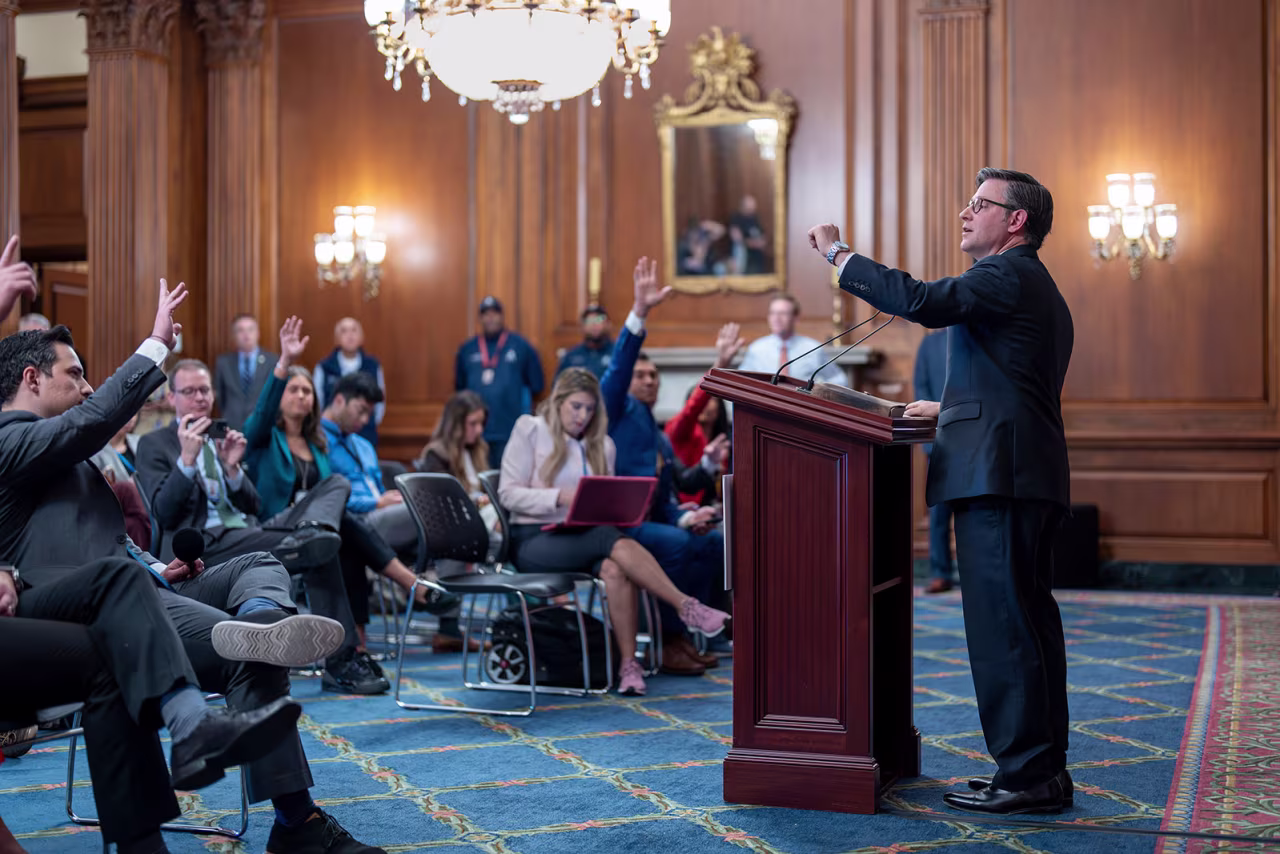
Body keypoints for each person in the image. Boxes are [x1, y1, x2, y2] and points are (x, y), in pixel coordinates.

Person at [0, 277, 385, 851]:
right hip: (88, 611)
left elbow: (96, 536)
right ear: (31, 379)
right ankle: (297, 826)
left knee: (255, 564)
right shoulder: (12, 436)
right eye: (74, 374)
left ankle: (259, 624)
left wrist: (155, 565)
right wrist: (155, 344)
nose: (86, 389)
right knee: (248, 654)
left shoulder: (63, 454)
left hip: (141, 587)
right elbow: (92, 427)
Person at [808, 166, 1074, 815]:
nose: (964, 213)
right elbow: (1010, 385)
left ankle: (1026, 776)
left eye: (980, 204)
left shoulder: (1006, 275)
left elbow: (924, 301)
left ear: (1016, 221)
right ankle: (1037, 770)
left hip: (999, 479)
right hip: (1017, 471)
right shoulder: (1030, 285)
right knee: (1027, 625)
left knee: (1004, 630)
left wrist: (841, 257)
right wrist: (948, 408)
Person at [0, 559, 302, 854]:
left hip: (138, 581)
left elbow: (123, 539)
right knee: (118, 633)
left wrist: (156, 567)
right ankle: (193, 729)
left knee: (258, 576)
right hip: (66, 583)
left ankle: (260, 617)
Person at [134, 356, 383, 694]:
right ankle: (341, 660)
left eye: (205, 390)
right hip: (203, 547)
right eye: (189, 391)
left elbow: (255, 506)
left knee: (335, 486)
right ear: (172, 398)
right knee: (320, 549)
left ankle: (312, 533)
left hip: (247, 531)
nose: (200, 398)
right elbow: (164, 513)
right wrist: (187, 462)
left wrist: (234, 469)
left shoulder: (220, 438)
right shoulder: (155, 444)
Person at [498, 367, 731, 697]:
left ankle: (628, 666)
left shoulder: (602, 445)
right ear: (558, 402)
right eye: (576, 407)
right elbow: (508, 494)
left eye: (590, 409)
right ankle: (685, 605)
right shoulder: (530, 429)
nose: (583, 416)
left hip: (584, 536)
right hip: (533, 539)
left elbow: (602, 502)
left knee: (615, 567)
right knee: (609, 538)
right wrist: (560, 497)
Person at [600, 259, 729, 675]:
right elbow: (618, 368)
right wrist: (639, 313)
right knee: (675, 544)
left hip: (651, 519)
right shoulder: (616, 409)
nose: (650, 380)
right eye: (642, 375)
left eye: (654, 375)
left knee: (712, 542)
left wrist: (689, 515)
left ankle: (691, 636)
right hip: (619, 525)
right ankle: (668, 640)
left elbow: (667, 496)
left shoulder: (654, 429)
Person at [313, 369, 466, 654]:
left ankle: (448, 626)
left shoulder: (362, 443)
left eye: (369, 413)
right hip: (355, 519)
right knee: (441, 513)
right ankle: (421, 590)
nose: (365, 420)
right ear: (338, 401)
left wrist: (387, 500)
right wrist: (376, 503)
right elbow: (326, 497)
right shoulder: (318, 441)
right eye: (360, 410)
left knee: (453, 530)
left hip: (382, 520)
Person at [455, 296, 545, 468]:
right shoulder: (467, 349)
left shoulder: (521, 346)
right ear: (480, 318)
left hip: (510, 431)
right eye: (486, 314)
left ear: (502, 316)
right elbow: (460, 389)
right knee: (477, 483)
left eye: (494, 313)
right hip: (475, 434)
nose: (490, 318)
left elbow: (537, 385)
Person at [664, 323, 738, 505]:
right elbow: (693, 408)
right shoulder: (680, 430)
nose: (705, 406)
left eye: (711, 400)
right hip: (689, 505)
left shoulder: (727, 435)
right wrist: (720, 365)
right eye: (703, 401)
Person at [914, 329, 958, 593]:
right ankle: (940, 573)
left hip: (974, 439)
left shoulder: (976, 336)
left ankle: (973, 574)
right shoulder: (930, 344)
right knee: (938, 514)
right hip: (938, 440)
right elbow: (921, 386)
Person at [736, 294, 849, 386]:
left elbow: (839, 381)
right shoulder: (757, 349)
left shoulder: (813, 348)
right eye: (773, 313)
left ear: (795, 318)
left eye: (783, 313)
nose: (776, 318)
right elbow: (742, 383)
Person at [313, 317, 386, 446]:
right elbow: (317, 403)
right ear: (337, 338)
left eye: (354, 330)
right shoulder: (324, 367)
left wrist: (365, 419)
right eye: (344, 331)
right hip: (331, 436)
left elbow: (380, 404)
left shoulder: (373, 365)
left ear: (361, 337)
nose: (350, 335)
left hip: (366, 435)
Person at [214, 313, 279, 431]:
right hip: (232, 427)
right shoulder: (223, 362)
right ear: (234, 335)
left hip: (262, 427)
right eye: (240, 330)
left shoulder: (272, 361)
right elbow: (220, 398)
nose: (246, 334)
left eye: (250, 329)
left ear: (258, 333)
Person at [555, 304, 613, 380]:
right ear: (582, 326)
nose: (594, 324)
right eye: (589, 320)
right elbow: (559, 385)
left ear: (607, 324)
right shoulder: (572, 356)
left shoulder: (617, 354)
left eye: (599, 319)